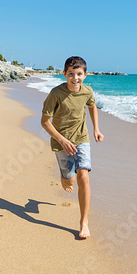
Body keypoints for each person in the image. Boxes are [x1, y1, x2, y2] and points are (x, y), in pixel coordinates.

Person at [40, 56, 104, 238]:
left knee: (83, 174)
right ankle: (64, 178)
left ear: (85, 75)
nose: (75, 78)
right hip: (61, 141)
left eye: (79, 74)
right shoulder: (55, 94)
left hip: (82, 138)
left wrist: (96, 129)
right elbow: (45, 122)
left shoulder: (87, 91)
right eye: (71, 74)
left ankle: (84, 222)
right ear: (64, 74)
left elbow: (92, 106)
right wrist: (62, 140)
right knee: (70, 180)